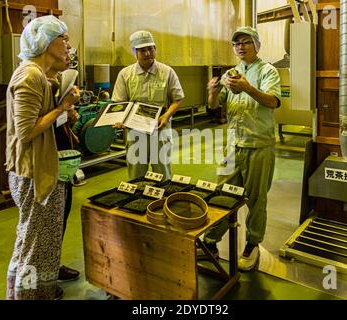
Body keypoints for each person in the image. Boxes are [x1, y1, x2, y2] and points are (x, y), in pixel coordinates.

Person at [5, 15, 80, 300]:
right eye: (64, 39)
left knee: (37, 243)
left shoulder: (42, 75)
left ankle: (34, 293)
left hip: (43, 168)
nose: (68, 45)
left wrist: (63, 114)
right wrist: (63, 107)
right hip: (32, 172)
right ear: (46, 42)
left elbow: (40, 122)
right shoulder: (30, 75)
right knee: (34, 246)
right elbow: (26, 131)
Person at [201, 26, 281, 271]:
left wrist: (247, 87)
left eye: (246, 42)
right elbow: (215, 106)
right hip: (233, 145)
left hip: (259, 144)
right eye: (236, 44)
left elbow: (273, 101)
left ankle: (252, 243)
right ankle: (211, 241)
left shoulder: (269, 71)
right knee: (222, 192)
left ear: (256, 45)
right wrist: (213, 94)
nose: (241, 47)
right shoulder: (230, 73)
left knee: (256, 198)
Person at [111, 30, 184, 180]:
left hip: (160, 126)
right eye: (142, 50)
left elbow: (177, 99)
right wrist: (120, 119)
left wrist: (166, 116)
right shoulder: (125, 74)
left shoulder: (167, 72)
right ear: (134, 53)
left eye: (151, 48)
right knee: (136, 172)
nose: (147, 53)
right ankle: (136, 201)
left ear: (155, 49)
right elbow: (119, 102)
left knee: (162, 170)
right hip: (135, 128)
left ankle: (162, 200)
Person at [47, 58, 80, 282]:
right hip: (46, 162)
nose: (67, 48)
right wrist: (63, 112)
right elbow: (34, 126)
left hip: (63, 159)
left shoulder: (56, 82)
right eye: (63, 40)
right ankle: (45, 274)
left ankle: (53, 264)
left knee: (61, 215)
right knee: (47, 222)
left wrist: (69, 118)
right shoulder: (36, 81)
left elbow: (57, 122)